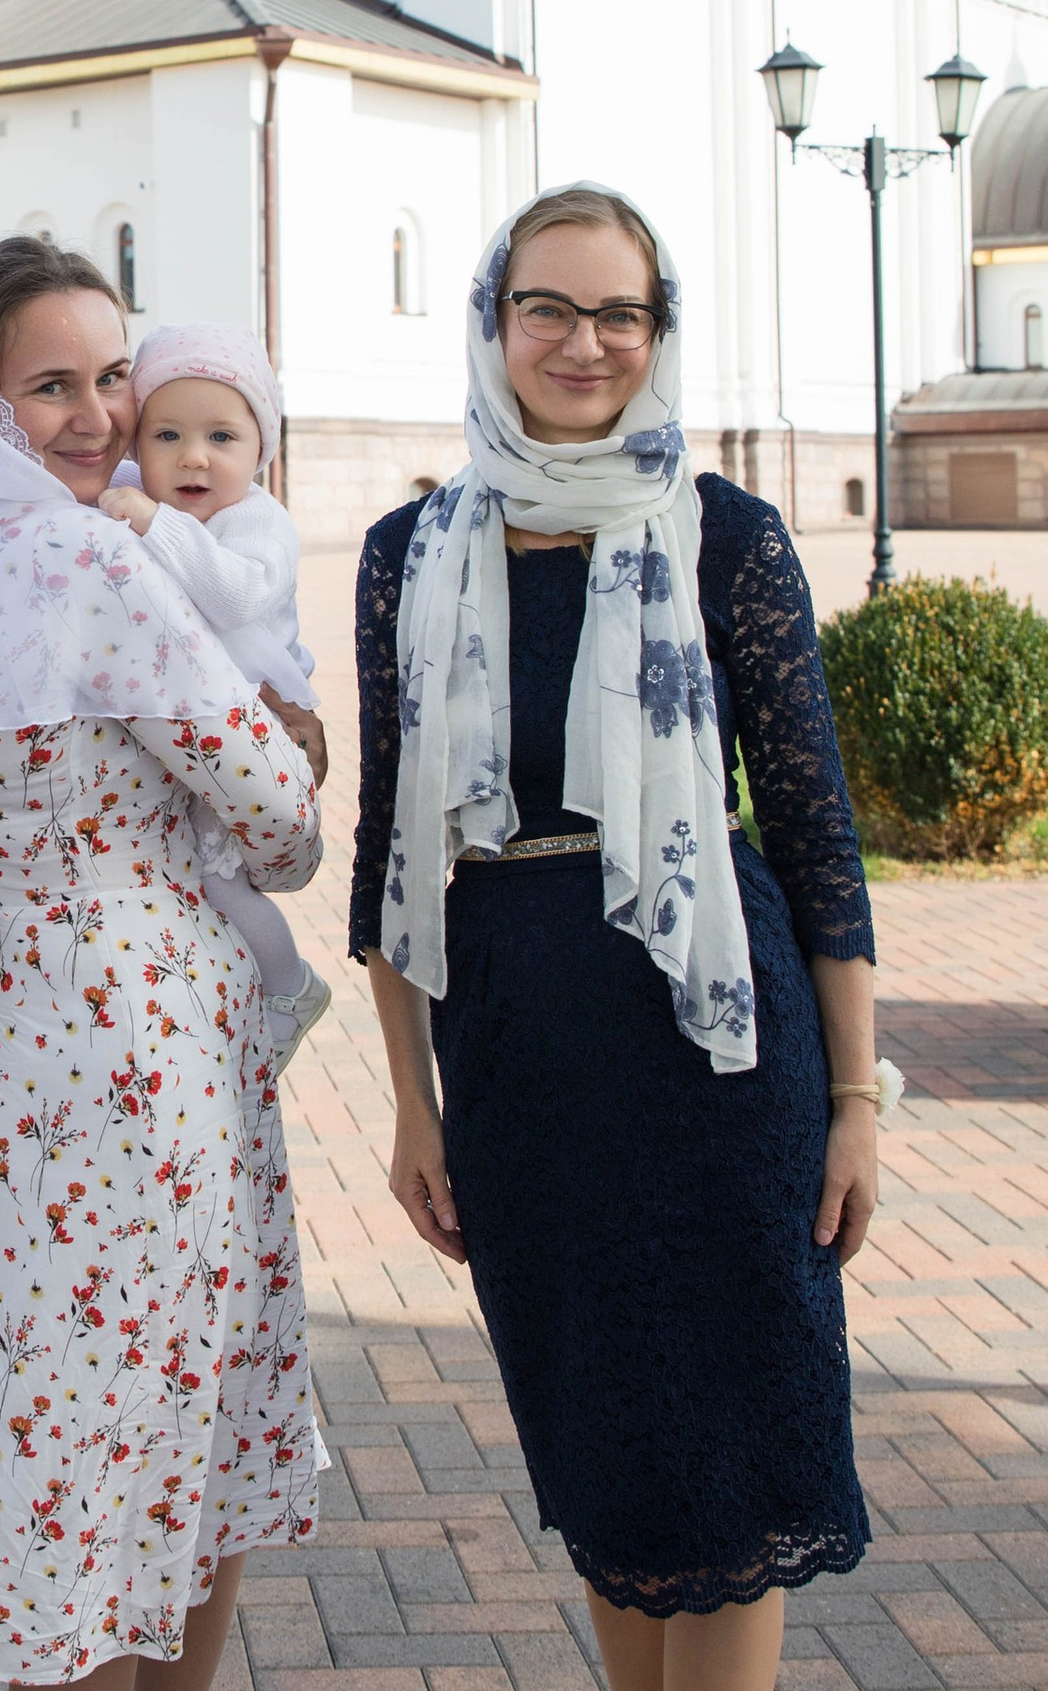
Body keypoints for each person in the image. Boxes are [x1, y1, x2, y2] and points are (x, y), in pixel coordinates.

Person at [353, 185, 882, 1691]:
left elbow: (816, 837)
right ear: (494, 320)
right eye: (550, 309)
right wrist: (411, 1103)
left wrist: (855, 1104)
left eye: (620, 313)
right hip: (519, 1061)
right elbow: (393, 847)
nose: (585, 343)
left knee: (731, 1469)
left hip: (713, 1055)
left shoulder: (724, 537)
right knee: (606, 1470)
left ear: (658, 331)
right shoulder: (412, 552)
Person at [0, 236, 325, 1691]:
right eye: (47, 386)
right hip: (148, 1057)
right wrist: (284, 757)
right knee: (156, 1431)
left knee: (53, 1424)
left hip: (21, 1044)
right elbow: (285, 821)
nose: (101, 415)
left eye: (114, 375)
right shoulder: (86, 556)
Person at [98, 323, 333, 1068]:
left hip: (252, 725)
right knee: (191, 881)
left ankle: (290, 986)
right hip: (194, 729)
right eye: (167, 434)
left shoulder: (257, 521)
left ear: (259, 450)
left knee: (221, 881)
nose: (193, 455)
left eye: (222, 437)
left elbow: (235, 598)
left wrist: (156, 523)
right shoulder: (144, 495)